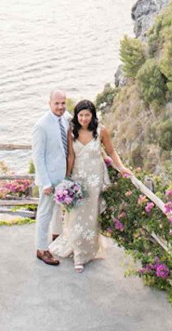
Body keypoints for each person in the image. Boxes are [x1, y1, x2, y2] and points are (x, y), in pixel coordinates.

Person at [50, 99, 130, 273]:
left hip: (95, 179)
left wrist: (121, 167)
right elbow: (70, 156)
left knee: (91, 216)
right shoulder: (72, 132)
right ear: (76, 116)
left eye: (87, 115)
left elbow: (111, 151)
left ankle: (88, 251)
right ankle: (78, 254)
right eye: (81, 115)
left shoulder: (101, 131)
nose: (84, 119)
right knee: (76, 215)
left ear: (92, 115)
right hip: (78, 179)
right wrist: (67, 178)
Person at [31, 89, 71, 266]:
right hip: (48, 179)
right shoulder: (41, 125)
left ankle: (56, 237)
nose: (60, 106)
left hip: (62, 177)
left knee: (57, 210)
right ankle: (41, 249)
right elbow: (37, 157)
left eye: (63, 103)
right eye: (57, 103)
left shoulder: (66, 118)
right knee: (45, 212)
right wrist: (46, 182)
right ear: (49, 103)